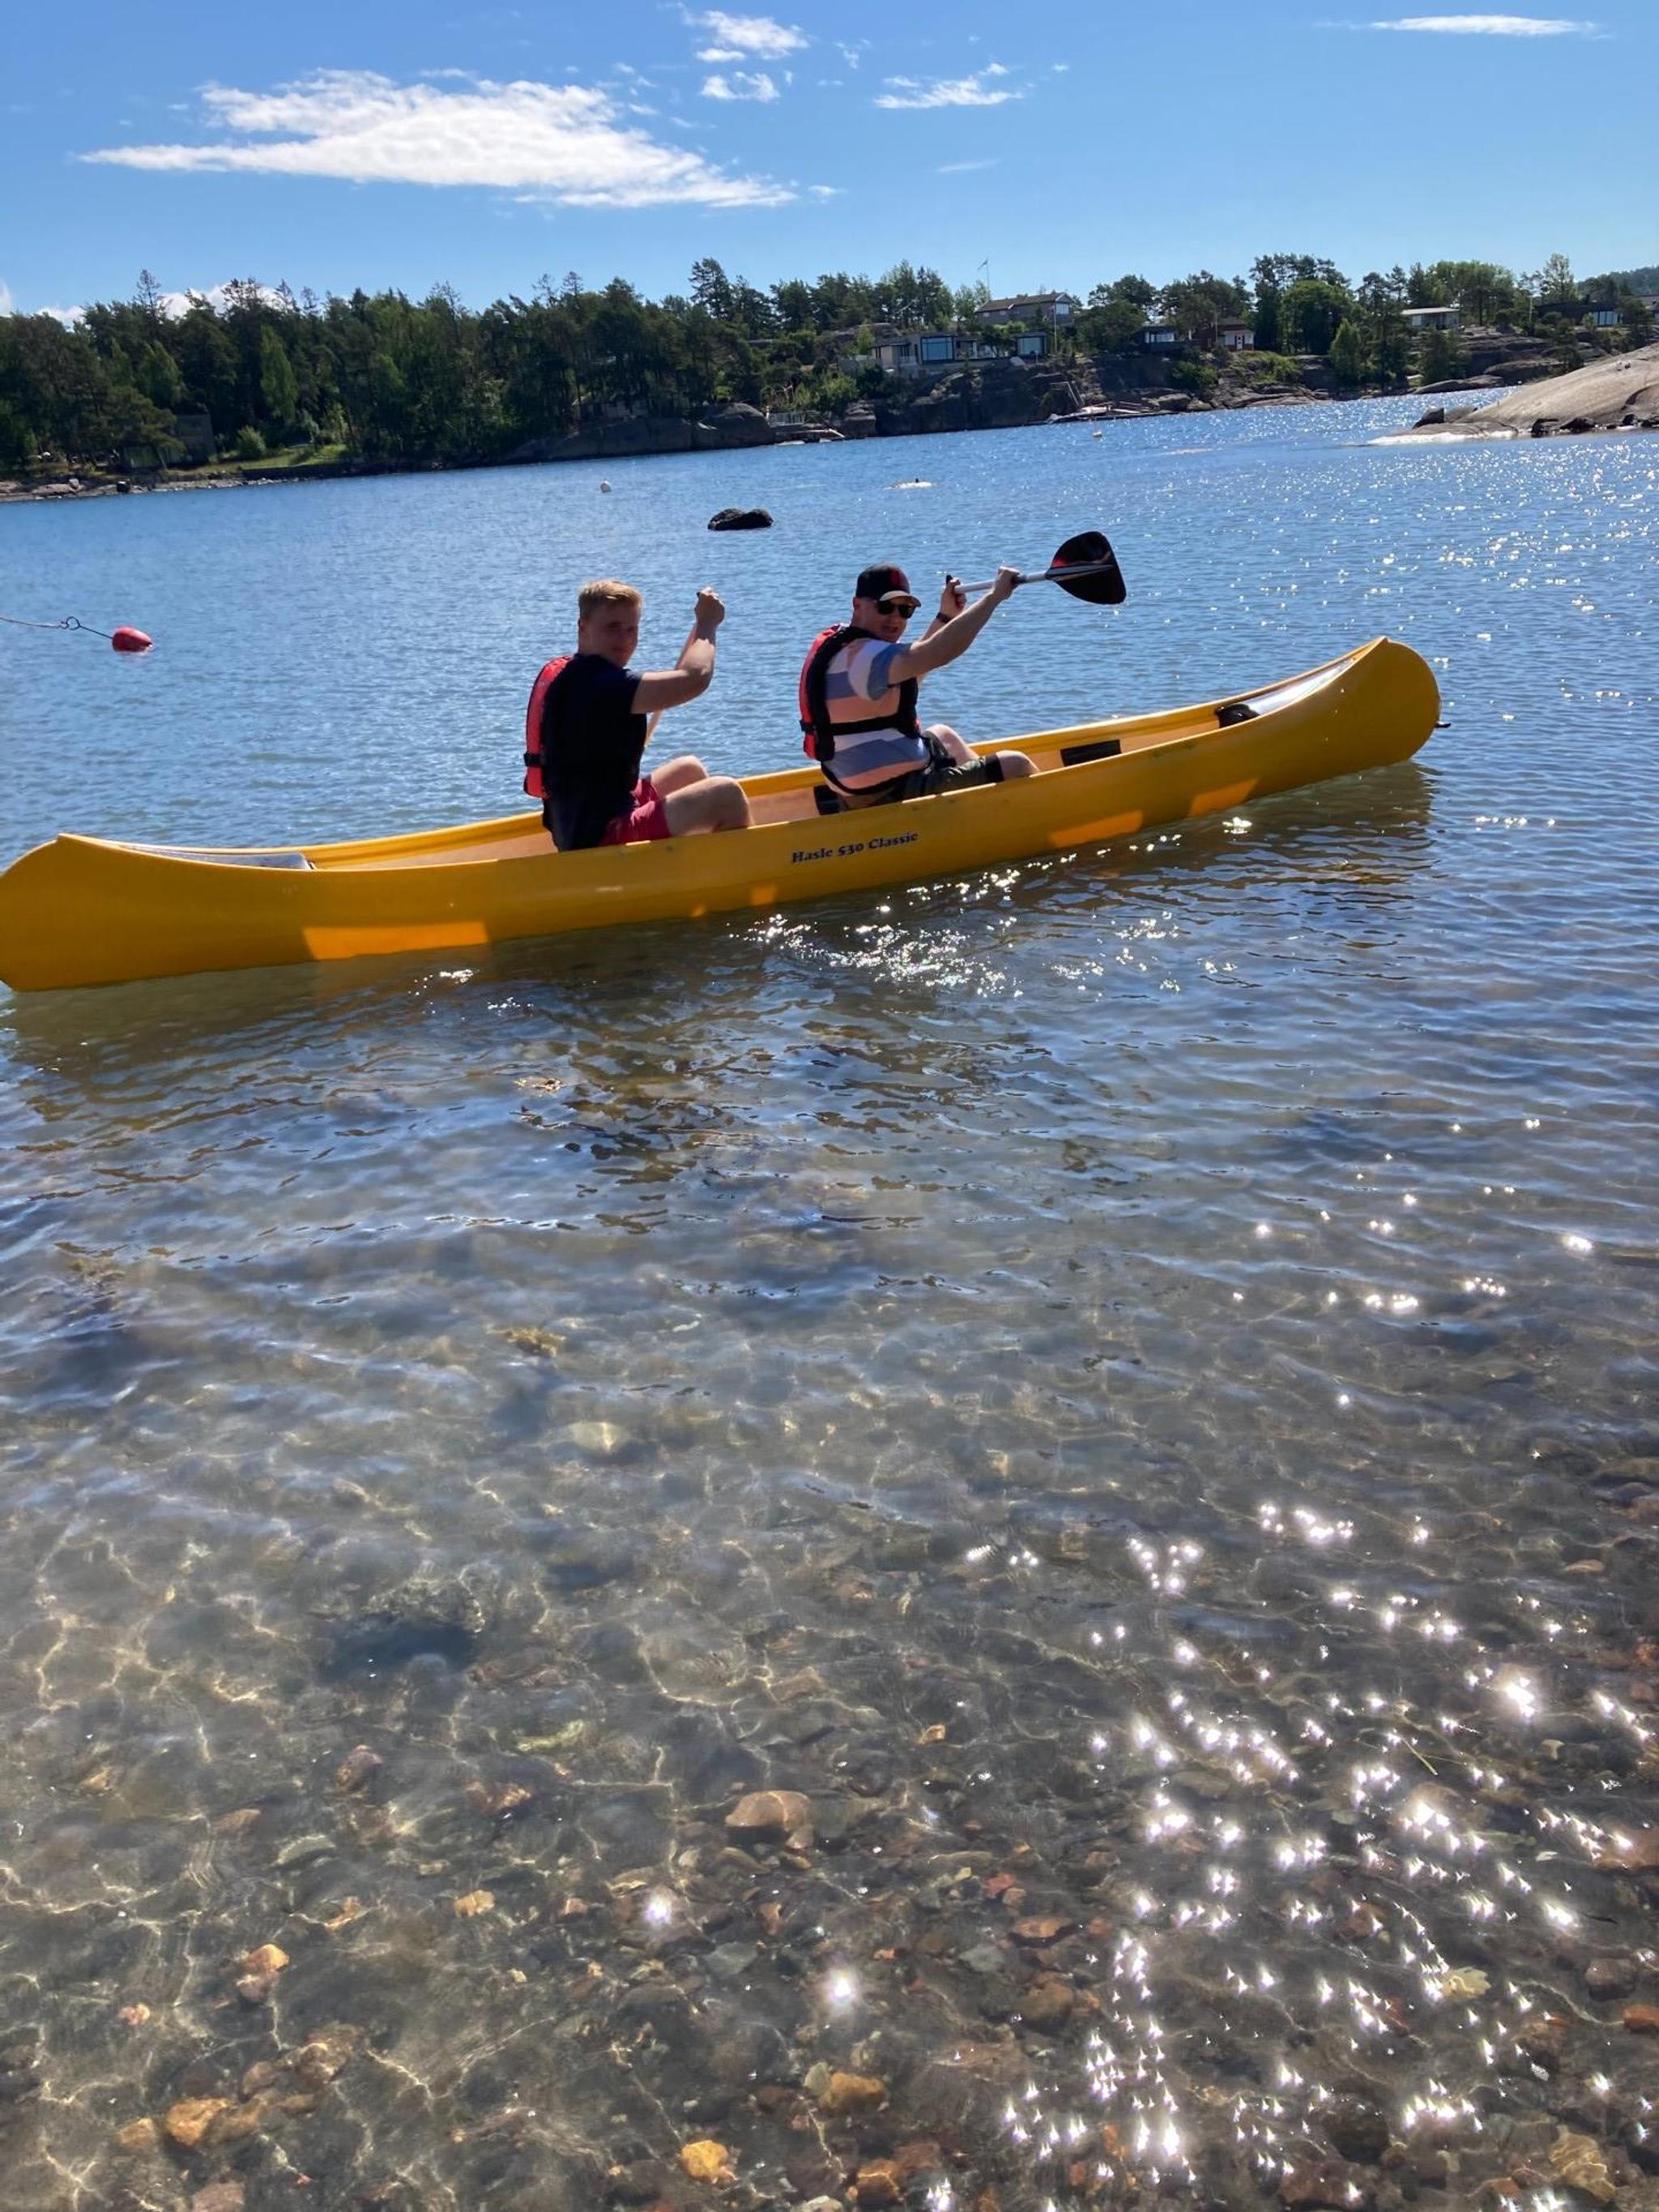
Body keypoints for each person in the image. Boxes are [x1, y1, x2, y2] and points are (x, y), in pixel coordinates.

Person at [524, 579, 750, 850]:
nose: (625, 639)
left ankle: (690, 870)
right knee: (726, 795)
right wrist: (707, 624)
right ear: (583, 627)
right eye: (613, 628)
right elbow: (694, 678)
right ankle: (746, 874)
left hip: (585, 822)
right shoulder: (601, 685)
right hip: (602, 838)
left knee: (689, 770)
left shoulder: (574, 674)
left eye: (632, 629)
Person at [798, 563, 1037, 808]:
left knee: (943, 735)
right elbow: (937, 652)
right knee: (1015, 764)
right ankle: (1016, 816)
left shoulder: (848, 647)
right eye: (885, 607)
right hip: (888, 794)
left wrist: (946, 616)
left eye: (905, 610)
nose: (895, 618)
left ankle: (993, 809)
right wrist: (994, 596)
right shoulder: (865, 657)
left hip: (859, 787)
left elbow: (916, 668)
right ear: (857, 605)